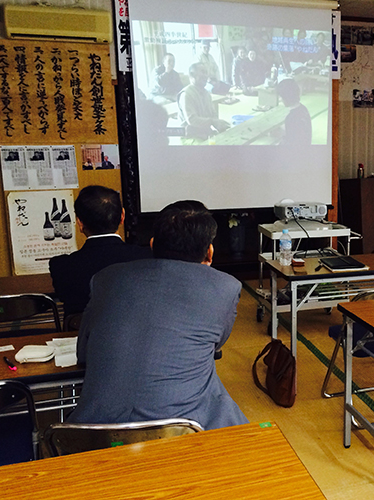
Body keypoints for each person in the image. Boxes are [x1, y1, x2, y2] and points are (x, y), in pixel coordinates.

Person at [69, 200, 247, 430]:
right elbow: (215, 347)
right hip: (183, 429)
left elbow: (83, 352)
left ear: (152, 244)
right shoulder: (226, 287)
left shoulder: (106, 278)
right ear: (210, 252)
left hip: (93, 433)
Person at [49, 186, 151, 316]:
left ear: (80, 223)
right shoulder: (147, 257)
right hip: (138, 334)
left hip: (84, 335)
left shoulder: (61, 266)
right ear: (122, 217)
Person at [177, 63, 230, 143]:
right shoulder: (186, 94)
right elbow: (192, 120)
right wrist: (212, 121)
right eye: (202, 72)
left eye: (206, 72)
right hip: (191, 137)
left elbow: (213, 114)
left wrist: (219, 124)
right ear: (192, 75)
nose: (206, 76)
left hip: (205, 134)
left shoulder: (206, 93)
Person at [277, 78, 311, 145]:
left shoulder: (290, 118)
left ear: (287, 98)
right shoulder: (304, 109)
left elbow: (289, 142)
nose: (280, 99)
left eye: (281, 97)